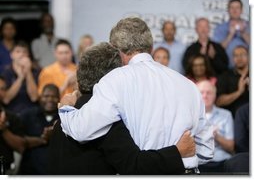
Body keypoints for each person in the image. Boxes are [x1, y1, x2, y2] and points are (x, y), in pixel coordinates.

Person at [59, 17, 214, 173]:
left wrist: (66, 107)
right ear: (151, 47)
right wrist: (180, 157)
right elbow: (206, 150)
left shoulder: (113, 81)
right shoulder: (188, 84)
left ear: (115, 49)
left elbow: (81, 130)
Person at [48, 42, 195, 175]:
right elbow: (134, 165)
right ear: (115, 77)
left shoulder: (62, 119)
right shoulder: (105, 119)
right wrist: (177, 152)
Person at [18, 84, 60, 175]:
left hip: (55, 172)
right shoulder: (27, 115)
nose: (50, 100)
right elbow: (19, 140)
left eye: (54, 97)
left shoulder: (64, 118)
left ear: (59, 99)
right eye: (46, 96)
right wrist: (43, 140)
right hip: (29, 171)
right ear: (40, 97)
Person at [197, 80, 234, 174]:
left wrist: (216, 136)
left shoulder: (226, 115)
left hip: (221, 162)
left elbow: (231, 147)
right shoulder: (189, 115)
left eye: (209, 93)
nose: (205, 96)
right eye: (201, 92)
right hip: (197, 163)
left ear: (215, 95)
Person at [1, 41, 39, 114]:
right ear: (11, 55)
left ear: (28, 55)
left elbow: (34, 97)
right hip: (11, 113)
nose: (21, 54)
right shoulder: (5, 73)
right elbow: (5, 99)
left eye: (24, 52)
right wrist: (20, 78)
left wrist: (28, 72)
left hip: (32, 113)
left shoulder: (36, 72)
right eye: (18, 51)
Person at [213, 0, 249, 68]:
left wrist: (243, 33)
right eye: (232, 7)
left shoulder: (250, 26)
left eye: (237, 7)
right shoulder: (220, 28)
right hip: (227, 69)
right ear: (228, 10)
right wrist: (230, 35)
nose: (235, 10)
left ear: (241, 10)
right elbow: (217, 50)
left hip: (248, 70)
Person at [216, 46, 249, 117]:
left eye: (242, 54)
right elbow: (219, 102)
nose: (239, 58)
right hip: (232, 118)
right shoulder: (225, 76)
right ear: (232, 59)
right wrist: (239, 92)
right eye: (236, 55)